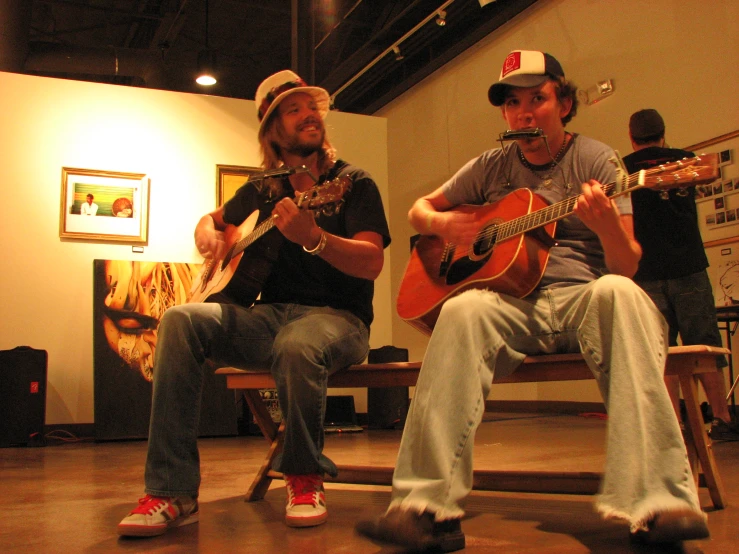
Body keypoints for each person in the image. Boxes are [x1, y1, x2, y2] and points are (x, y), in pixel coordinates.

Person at [356, 50, 709, 551]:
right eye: (513, 103)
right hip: (514, 304)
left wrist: (605, 220)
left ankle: (658, 503)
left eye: (538, 99)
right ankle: (425, 508)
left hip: (584, 296)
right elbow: (420, 210)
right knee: (460, 308)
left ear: (564, 103)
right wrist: (442, 223)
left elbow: (626, 264)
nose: (525, 113)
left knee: (621, 292)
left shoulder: (597, 159)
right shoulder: (491, 166)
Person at [117, 69, 391, 537]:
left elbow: (371, 263)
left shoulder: (352, 183)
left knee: (298, 343)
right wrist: (208, 233)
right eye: (293, 109)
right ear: (272, 130)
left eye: (311, 106)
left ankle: (304, 476)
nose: (309, 115)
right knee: (181, 320)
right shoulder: (263, 187)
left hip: (337, 320)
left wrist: (316, 238)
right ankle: (172, 490)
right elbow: (214, 221)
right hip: (267, 317)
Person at [623, 108, 738, 441]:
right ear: (663, 133)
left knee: (662, 351)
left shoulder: (624, 170)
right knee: (704, 345)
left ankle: (672, 423)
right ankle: (721, 416)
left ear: (632, 137)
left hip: (644, 271)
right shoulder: (688, 160)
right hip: (688, 265)